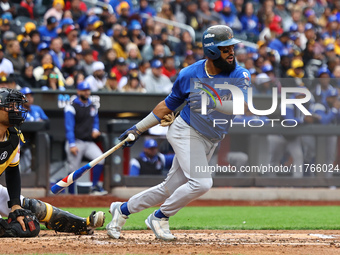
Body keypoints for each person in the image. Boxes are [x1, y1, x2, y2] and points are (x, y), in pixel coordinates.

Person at [106, 25, 250, 240]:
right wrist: (138, 129)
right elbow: (167, 105)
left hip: (210, 139)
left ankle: (122, 210)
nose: (231, 52)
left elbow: (241, 107)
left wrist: (211, 100)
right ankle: (160, 217)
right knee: (201, 183)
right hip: (186, 131)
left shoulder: (240, 73)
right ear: (212, 51)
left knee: (169, 188)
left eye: (232, 47)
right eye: (225, 48)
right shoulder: (189, 74)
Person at [0, 88, 105, 237]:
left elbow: (12, 172)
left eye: (17, 106)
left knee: (30, 211)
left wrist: (15, 205)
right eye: (11, 106)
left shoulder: (13, 136)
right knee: (3, 227)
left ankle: (81, 224)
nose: (16, 110)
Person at [64, 81, 107, 195]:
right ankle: (72, 194)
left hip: (88, 142)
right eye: (83, 90)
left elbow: (95, 121)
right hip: (75, 141)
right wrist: (72, 144)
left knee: (100, 159)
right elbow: (69, 127)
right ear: (78, 91)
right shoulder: (71, 107)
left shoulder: (92, 106)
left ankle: (94, 187)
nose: (86, 92)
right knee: (73, 169)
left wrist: (95, 130)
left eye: (88, 90)